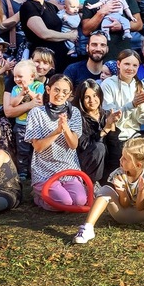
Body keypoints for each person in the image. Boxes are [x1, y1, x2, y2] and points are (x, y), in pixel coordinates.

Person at [25, 74, 86, 210]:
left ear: (70, 94)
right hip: (44, 170)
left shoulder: (74, 112)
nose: (60, 94)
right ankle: (39, 195)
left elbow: (73, 144)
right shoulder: (36, 113)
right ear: (48, 89)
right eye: (56, 90)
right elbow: (38, 147)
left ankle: (64, 190)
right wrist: (57, 131)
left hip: (68, 168)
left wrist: (65, 129)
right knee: (64, 203)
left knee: (80, 201)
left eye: (65, 92)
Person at [20, 0, 77, 68]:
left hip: (60, 58)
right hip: (42, 62)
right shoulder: (28, 6)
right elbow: (44, 34)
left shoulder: (51, 7)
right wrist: (69, 35)